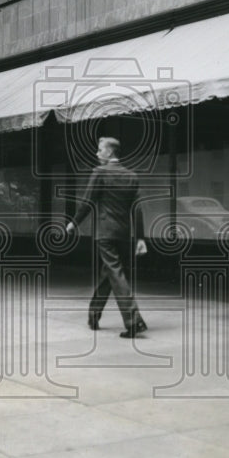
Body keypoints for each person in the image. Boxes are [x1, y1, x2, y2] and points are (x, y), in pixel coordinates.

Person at [66, 137, 148, 338]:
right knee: (110, 274)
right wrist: (140, 238)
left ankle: (133, 321)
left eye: (99, 149)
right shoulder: (131, 176)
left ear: (109, 152)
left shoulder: (99, 173)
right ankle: (94, 315)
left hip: (105, 233)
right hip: (124, 234)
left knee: (116, 274)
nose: (96, 153)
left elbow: (87, 202)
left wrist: (73, 222)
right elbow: (137, 209)